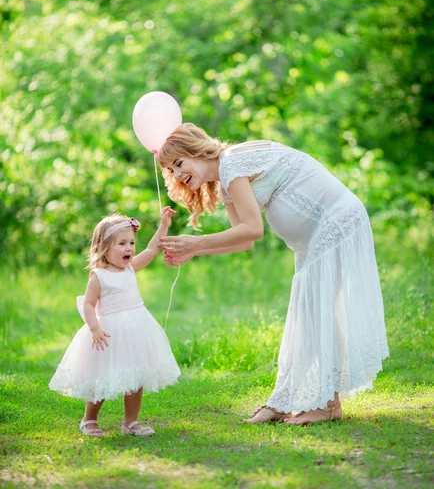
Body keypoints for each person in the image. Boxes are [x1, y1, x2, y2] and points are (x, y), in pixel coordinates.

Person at [157, 123, 389, 425]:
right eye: (170, 171)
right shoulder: (227, 178)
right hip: (318, 233)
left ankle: (327, 404)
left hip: (334, 221)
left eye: (178, 163)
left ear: (196, 151)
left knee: (315, 310)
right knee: (309, 311)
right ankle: (285, 401)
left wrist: (196, 243)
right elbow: (244, 241)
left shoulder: (231, 163)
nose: (177, 175)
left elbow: (253, 228)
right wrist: (192, 251)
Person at [49, 209, 181, 437]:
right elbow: (89, 305)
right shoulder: (99, 276)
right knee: (102, 377)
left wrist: (164, 224)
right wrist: (95, 328)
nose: (129, 248)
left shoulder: (130, 268)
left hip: (137, 330)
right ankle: (89, 419)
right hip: (109, 334)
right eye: (121, 243)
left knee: (136, 377)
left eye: (131, 242)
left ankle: (130, 422)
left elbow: (151, 249)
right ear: (104, 247)